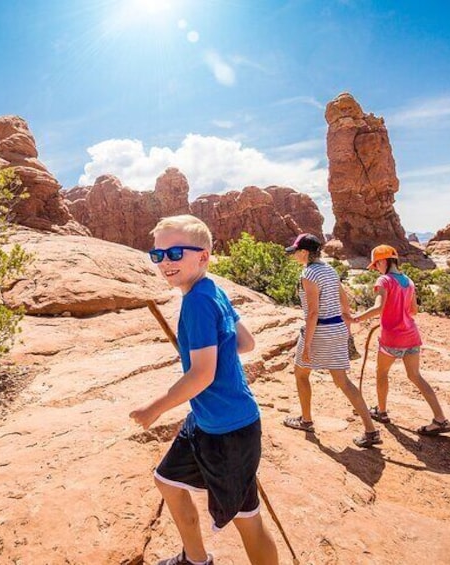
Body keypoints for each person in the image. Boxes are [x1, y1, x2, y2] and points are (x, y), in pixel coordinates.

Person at [130, 215, 278, 565]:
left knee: (248, 521)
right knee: (167, 480)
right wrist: (216, 348)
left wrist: (155, 408)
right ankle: (196, 559)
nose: (166, 261)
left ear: (204, 256)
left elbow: (201, 376)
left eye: (176, 252)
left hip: (229, 431)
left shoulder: (197, 302)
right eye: (158, 254)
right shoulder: (212, 289)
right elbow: (245, 342)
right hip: (207, 421)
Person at [282, 233, 382, 448]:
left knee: (301, 373)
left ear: (305, 253)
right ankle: (370, 430)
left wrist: (307, 344)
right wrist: (346, 322)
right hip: (336, 328)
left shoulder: (308, 273)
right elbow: (342, 296)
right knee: (343, 381)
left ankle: (306, 420)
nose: (294, 256)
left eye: (296, 252)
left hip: (319, 331)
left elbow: (312, 313)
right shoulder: (330, 270)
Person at [351, 245, 450, 435]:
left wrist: (355, 318)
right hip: (411, 336)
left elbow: (378, 308)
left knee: (382, 373)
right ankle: (440, 419)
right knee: (415, 376)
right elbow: (414, 310)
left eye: (376, 265)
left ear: (383, 261)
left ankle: (381, 412)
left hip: (392, 338)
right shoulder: (409, 281)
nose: (376, 269)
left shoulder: (384, 280)